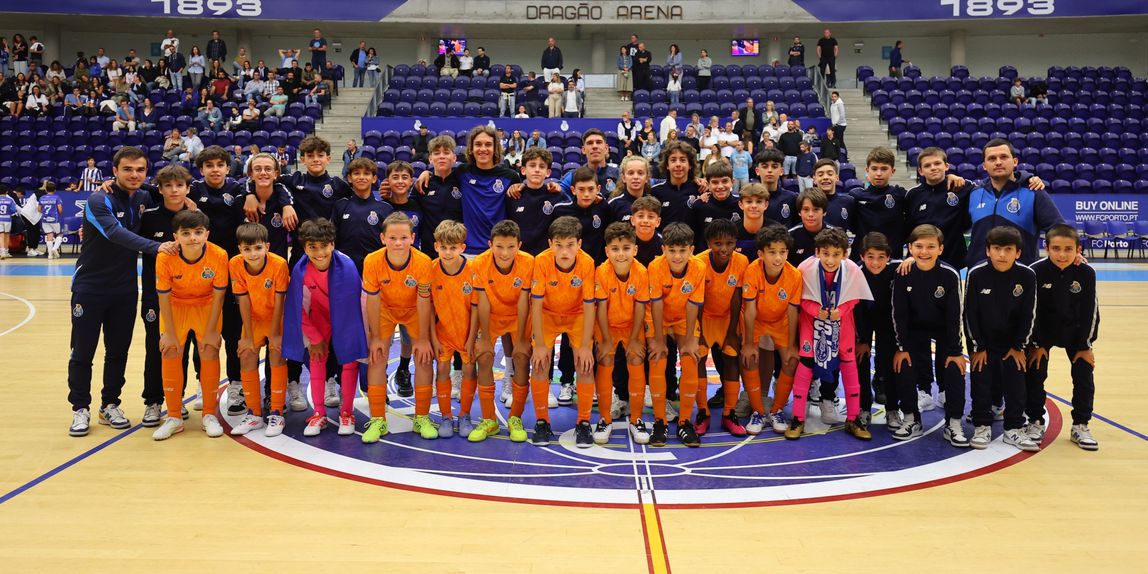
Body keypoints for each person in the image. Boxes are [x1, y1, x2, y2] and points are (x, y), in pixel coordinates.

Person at [66, 148, 177, 436]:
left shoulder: (142, 196)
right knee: (82, 352)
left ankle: (109, 405)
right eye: (128, 169)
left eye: (140, 170)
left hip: (126, 289)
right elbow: (114, 233)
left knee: (118, 352)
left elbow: (171, 189)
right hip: (90, 288)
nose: (134, 175)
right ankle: (80, 408)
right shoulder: (98, 199)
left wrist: (188, 199)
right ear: (114, 171)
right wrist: (157, 247)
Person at [280, 218, 368, 438]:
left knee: (349, 362)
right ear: (304, 247)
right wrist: (314, 338)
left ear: (332, 244)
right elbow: (298, 307)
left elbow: (354, 305)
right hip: (317, 319)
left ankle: (347, 412)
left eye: (323, 246)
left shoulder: (346, 265)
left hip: (345, 317)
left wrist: (345, 338)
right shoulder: (301, 270)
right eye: (312, 247)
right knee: (316, 359)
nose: (319, 252)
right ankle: (318, 413)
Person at [784, 228, 872, 440]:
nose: (830, 259)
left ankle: (853, 418)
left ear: (845, 253)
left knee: (849, 367)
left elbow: (856, 297)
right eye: (825, 253)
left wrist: (840, 311)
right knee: (805, 366)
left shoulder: (852, 269)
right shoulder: (805, 268)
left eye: (836, 254)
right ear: (817, 252)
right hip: (811, 324)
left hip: (843, 326)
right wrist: (816, 311)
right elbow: (798, 299)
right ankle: (798, 418)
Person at [149, 209, 229, 441]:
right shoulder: (165, 257)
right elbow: (163, 296)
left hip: (207, 306)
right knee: (171, 351)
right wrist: (169, 333)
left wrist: (213, 331)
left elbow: (219, 294)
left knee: (209, 350)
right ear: (176, 236)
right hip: (175, 306)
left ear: (207, 234)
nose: (192, 237)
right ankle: (174, 416)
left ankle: (208, 415)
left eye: (198, 232)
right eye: (186, 233)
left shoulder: (219, 254)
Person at [890, 225, 967, 444]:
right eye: (919, 246)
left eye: (930, 247)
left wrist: (955, 351)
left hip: (943, 328)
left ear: (941, 249)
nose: (924, 252)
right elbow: (899, 315)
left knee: (955, 367)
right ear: (910, 248)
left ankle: (953, 422)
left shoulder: (949, 275)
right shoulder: (903, 273)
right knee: (902, 364)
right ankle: (911, 419)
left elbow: (955, 317)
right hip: (914, 329)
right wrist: (902, 348)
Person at [964, 226, 1038, 451]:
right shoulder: (976, 274)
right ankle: (982, 425)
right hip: (982, 342)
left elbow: (1029, 314)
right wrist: (977, 346)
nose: (1002, 254)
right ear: (988, 251)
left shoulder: (1027, 275)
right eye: (997, 249)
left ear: (1018, 253)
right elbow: (969, 314)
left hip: (1012, 343)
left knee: (1016, 384)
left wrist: (1019, 347)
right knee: (981, 382)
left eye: (1008, 249)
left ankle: (1013, 428)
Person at [1026, 224, 1100, 451]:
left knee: (1083, 376)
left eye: (1068, 249)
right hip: (1043, 333)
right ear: (1046, 248)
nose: (1062, 254)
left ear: (1078, 249)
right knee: (1035, 374)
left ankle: (1080, 424)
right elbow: (1031, 311)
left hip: (1075, 333)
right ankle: (1035, 421)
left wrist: (1086, 345)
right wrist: (1036, 343)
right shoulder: (1035, 271)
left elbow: (1091, 311)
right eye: (1056, 248)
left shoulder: (1086, 273)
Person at [362, 212, 434, 441]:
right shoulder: (372, 260)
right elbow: (372, 300)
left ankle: (421, 417)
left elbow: (424, 300)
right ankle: (377, 420)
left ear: (412, 238)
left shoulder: (423, 262)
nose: (398, 243)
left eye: (403, 237)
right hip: (384, 309)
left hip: (414, 309)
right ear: (383, 238)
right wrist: (374, 337)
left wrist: (422, 339)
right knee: (377, 355)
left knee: (423, 356)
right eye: (392, 238)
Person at [529, 216, 597, 447]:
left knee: (585, 363)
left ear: (579, 244)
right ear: (550, 244)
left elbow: (589, 306)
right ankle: (542, 421)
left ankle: (584, 423)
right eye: (559, 245)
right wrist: (539, 345)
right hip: (547, 313)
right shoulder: (541, 261)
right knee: (539, 362)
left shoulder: (587, 263)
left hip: (577, 313)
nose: (564, 251)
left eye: (570, 245)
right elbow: (536, 304)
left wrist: (586, 346)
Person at [224, 222, 291, 437]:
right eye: (247, 249)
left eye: (258, 248)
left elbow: (281, 301)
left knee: (276, 355)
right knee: (246, 355)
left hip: (276, 318)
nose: (253, 254)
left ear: (267, 247)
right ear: (240, 249)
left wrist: (275, 335)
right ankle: (253, 414)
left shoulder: (279, 264)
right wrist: (248, 338)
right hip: (253, 319)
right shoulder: (234, 264)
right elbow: (242, 300)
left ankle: (277, 412)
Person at [472, 220, 534, 441]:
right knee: (485, 355)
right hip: (492, 315)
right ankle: (489, 419)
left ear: (519, 245)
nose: (504, 252)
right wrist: (486, 338)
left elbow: (524, 302)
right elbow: (482, 302)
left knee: (521, 355)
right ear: (490, 244)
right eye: (499, 246)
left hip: (518, 315)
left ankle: (515, 417)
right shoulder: (479, 263)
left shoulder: (528, 262)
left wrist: (520, 340)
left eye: (510, 246)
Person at [591, 222, 652, 443]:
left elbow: (640, 307)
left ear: (635, 250)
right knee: (605, 362)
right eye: (615, 249)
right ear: (607, 251)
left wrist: (635, 339)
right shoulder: (602, 271)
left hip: (631, 326)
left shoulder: (641, 271)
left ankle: (636, 419)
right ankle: (605, 419)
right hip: (606, 325)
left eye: (626, 248)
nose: (621, 253)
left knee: (636, 360)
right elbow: (600, 308)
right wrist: (606, 340)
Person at [648, 222, 706, 446]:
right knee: (657, 358)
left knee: (692, 356)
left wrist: (691, 339)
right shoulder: (655, 267)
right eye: (672, 250)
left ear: (691, 250)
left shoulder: (698, 267)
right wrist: (659, 340)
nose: (677, 256)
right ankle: (660, 421)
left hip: (683, 316)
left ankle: (684, 422)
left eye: (682, 251)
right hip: (657, 316)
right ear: (664, 250)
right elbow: (656, 305)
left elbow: (694, 305)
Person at [967, 139, 1063, 267]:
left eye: (1004, 157)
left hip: (1022, 274)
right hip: (978, 273)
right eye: (992, 158)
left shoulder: (1033, 191)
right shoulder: (974, 193)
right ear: (984, 165)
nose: (998, 162)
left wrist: (1072, 252)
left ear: (1015, 161)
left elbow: (1057, 228)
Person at [693, 219, 750, 435]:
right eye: (717, 243)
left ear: (735, 242)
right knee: (698, 357)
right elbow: (697, 300)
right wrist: (698, 332)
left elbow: (737, 298)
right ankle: (702, 412)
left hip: (728, 317)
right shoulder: (698, 262)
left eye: (729, 243)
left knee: (731, 358)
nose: (724, 248)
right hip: (704, 316)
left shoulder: (741, 261)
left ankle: (729, 413)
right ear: (708, 242)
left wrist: (732, 332)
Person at [853, 232, 897, 426]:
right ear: (862, 256)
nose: (876, 263)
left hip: (887, 323)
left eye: (881, 257)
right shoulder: (855, 273)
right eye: (870, 257)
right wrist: (862, 340)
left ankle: (893, 409)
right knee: (860, 361)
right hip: (864, 321)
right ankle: (863, 406)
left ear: (888, 257)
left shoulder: (897, 270)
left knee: (888, 363)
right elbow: (855, 309)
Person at [36, 181, 63, 259]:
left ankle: (50, 255)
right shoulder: (57, 198)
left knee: (49, 235)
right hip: (54, 219)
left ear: (46, 190)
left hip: (45, 219)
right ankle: (55, 248)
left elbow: (39, 209)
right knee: (60, 234)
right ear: (55, 190)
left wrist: (45, 214)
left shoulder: (42, 198)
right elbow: (60, 210)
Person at [0, 187, 16, 259]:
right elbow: (13, 210)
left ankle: (2, 252)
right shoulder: (10, 200)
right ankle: (6, 252)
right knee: (7, 235)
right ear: (6, 192)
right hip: (7, 219)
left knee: (1, 235)